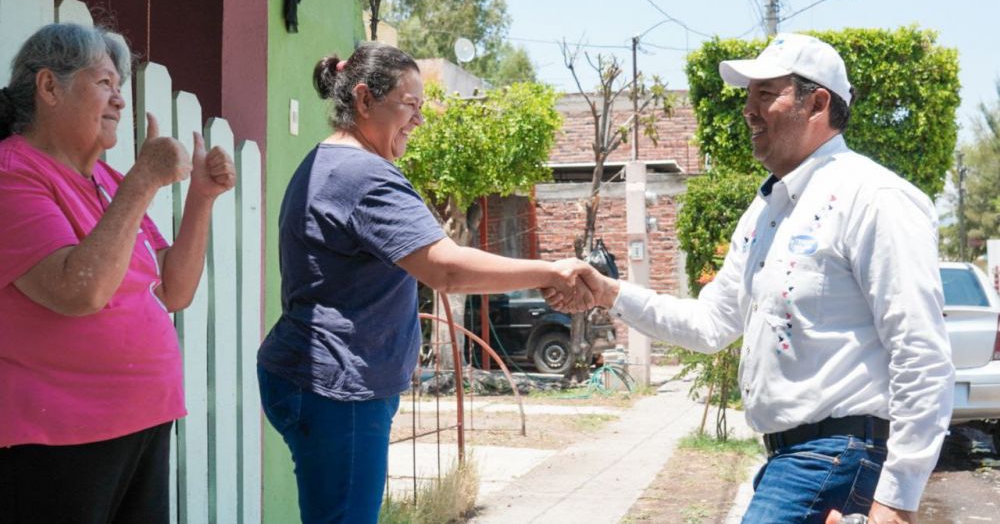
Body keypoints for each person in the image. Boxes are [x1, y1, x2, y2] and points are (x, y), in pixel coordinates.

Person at [548, 33, 954, 524]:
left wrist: (896, 499)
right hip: (790, 461)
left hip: (837, 458)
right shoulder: (767, 211)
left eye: (767, 95)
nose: (749, 110)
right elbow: (711, 324)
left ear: (818, 103)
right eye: (748, 97)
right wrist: (609, 293)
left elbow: (921, 352)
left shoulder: (874, 197)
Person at [256, 42, 593, 524]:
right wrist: (549, 270)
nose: (417, 120)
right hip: (340, 388)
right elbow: (447, 269)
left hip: (317, 378)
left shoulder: (326, 161)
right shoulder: (364, 176)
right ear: (364, 100)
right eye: (408, 105)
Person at [0, 23, 236, 522]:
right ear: (48, 88)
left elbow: (174, 289)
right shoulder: (13, 172)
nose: (119, 102)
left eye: (120, 88)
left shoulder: (105, 180)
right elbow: (76, 290)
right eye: (104, 83)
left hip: (143, 420)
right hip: (61, 438)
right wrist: (145, 178)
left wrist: (200, 197)